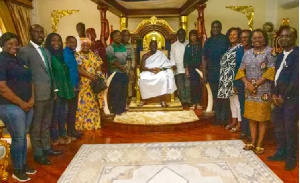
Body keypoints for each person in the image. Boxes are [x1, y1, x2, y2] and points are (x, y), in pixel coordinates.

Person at [17, 24, 62, 166]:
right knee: (36, 126)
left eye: (41, 32)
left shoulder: (46, 51)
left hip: (49, 93)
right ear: (30, 34)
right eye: (36, 32)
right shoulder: (24, 51)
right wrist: (29, 95)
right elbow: (24, 76)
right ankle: (38, 153)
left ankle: (47, 148)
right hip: (35, 95)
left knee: (46, 123)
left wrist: (54, 90)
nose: (40, 35)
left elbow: (50, 72)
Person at [0, 32, 36, 181]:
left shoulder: (19, 60)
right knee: (19, 138)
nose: (14, 46)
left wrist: (32, 98)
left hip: (27, 104)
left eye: (16, 43)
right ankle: (17, 169)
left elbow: (30, 80)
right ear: (3, 45)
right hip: (10, 106)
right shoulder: (1, 61)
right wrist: (21, 103)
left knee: (23, 135)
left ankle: (23, 164)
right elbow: (2, 87)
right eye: (10, 43)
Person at [235, 29, 275, 155]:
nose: (257, 40)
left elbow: (271, 71)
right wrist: (247, 84)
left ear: (264, 39)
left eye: (260, 37)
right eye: (255, 38)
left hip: (263, 91)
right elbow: (241, 70)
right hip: (249, 91)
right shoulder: (247, 53)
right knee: (252, 117)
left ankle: (259, 143)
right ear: (251, 40)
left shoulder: (270, 51)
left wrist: (255, 85)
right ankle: (252, 140)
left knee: (262, 118)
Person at [267, 26, 298, 171]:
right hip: (277, 98)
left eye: (288, 36)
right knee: (278, 128)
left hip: (291, 99)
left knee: (290, 129)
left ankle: (291, 158)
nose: (284, 38)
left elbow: (296, 79)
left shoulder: (297, 54)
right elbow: (275, 77)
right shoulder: (280, 55)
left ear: (294, 38)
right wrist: (273, 94)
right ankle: (281, 152)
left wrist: (283, 97)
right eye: (282, 36)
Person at [45, 33, 74, 145]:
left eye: (58, 41)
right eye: (53, 41)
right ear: (48, 42)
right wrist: (55, 89)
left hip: (65, 89)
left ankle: (63, 134)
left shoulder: (61, 55)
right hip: (56, 90)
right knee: (55, 115)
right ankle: (54, 137)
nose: (56, 43)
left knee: (63, 113)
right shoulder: (48, 55)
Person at [202, 20, 230, 125]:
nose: (215, 29)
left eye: (217, 27)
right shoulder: (208, 41)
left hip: (224, 73)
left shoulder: (225, 39)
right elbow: (204, 58)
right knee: (215, 97)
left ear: (221, 28)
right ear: (211, 28)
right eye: (214, 27)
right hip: (212, 73)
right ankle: (218, 118)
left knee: (224, 97)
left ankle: (225, 119)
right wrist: (204, 74)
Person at [217, 27, 242, 132]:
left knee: (237, 101)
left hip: (234, 78)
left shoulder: (240, 48)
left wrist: (236, 81)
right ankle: (234, 121)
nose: (232, 36)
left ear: (239, 36)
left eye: (234, 34)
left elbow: (240, 65)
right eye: (230, 34)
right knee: (231, 101)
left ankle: (240, 124)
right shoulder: (229, 48)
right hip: (226, 79)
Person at [139, 40, 177, 107]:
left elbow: (166, 64)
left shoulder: (160, 54)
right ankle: (143, 99)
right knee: (142, 79)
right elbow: (142, 67)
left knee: (164, 78)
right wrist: (151, 70)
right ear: (149, 46)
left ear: (157, 46)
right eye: (152, 45)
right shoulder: (145, 55)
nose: (153, 47)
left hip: (159, 71)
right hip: (148, 71)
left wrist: (160, 69)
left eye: (155, 45)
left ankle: (162, 100)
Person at [75, 38, 103, 130]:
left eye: (87, 45)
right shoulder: (78, 55)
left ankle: (93, 124)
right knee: (82, 104)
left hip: (94, 84)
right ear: (81, 46)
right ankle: (82, 125)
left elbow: (99, 67)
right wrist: (90, 77)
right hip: (83, 84)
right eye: (83, 45)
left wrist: (97, 76)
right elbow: (79, 69)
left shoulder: (94, 55)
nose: (85, 46)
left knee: (93, 104)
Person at [63, 36, 82, 139]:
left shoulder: (72, 53)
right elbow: (65, 72)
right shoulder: (65, 54)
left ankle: (72, 130)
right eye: (71, 42)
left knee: (73, 109)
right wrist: (71, 86)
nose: (74, 44)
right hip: (70, 87)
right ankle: (70, 131)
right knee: (70, 110)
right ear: (67, 42)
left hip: (75, 85)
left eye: (75, 42)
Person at [106, 30, 128, 114]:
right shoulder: (110, 48)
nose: (119, 37)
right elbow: (112, 60)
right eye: (116, 36)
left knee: (123, 91)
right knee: (115, 91)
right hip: (115, 72)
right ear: (112, 38)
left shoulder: (123, 47)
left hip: (123, 72)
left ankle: (121, 109)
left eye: (120, 36)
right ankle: (115, 110)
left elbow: (126, 58)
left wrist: (126, 68)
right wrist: (121, 67)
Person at [235, 30, 252, 139]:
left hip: (254, 84)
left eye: (246, 37)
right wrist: (235, 84)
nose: (244, 39)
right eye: (242, 37)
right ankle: (244, 130)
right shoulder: (239, 50)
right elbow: (236, 68)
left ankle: (252, 132)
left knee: (251, 108)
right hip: (241, 82)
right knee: (243, 107)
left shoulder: (254, 50)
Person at [170, 28, 190, 108]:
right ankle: (183, 101)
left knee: (188, 85)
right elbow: (172, 56)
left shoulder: (189, 43)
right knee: (181, 86)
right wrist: (173, 64)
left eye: (182, 34)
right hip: (178, 68)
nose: (181, 36)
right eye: (179, 34)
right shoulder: (174, 45)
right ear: (177, 36)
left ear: (185, 35)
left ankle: (188, 100)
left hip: (187, 68)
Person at [183, 30, 202, 109]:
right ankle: (193, 103)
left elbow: (202, 57)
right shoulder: (188, 46)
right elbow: (186, 58)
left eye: (194, 35)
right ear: (189, 37)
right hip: (191, 69)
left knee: (199, 86)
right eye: (191, 36)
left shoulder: (200, 46)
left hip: (199, 68)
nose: (193, 37)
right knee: (192, 86)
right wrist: (187, 70)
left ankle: (198, 103)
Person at [122, 29, 135, 109]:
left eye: (128, 36)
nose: (127, 37)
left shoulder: (130, 46)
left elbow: (133, 57)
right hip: (120, 65)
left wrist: (132, 68)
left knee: (129, 84)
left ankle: (128, 103)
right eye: (125, 35)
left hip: (128, 64)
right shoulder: (118, 45)